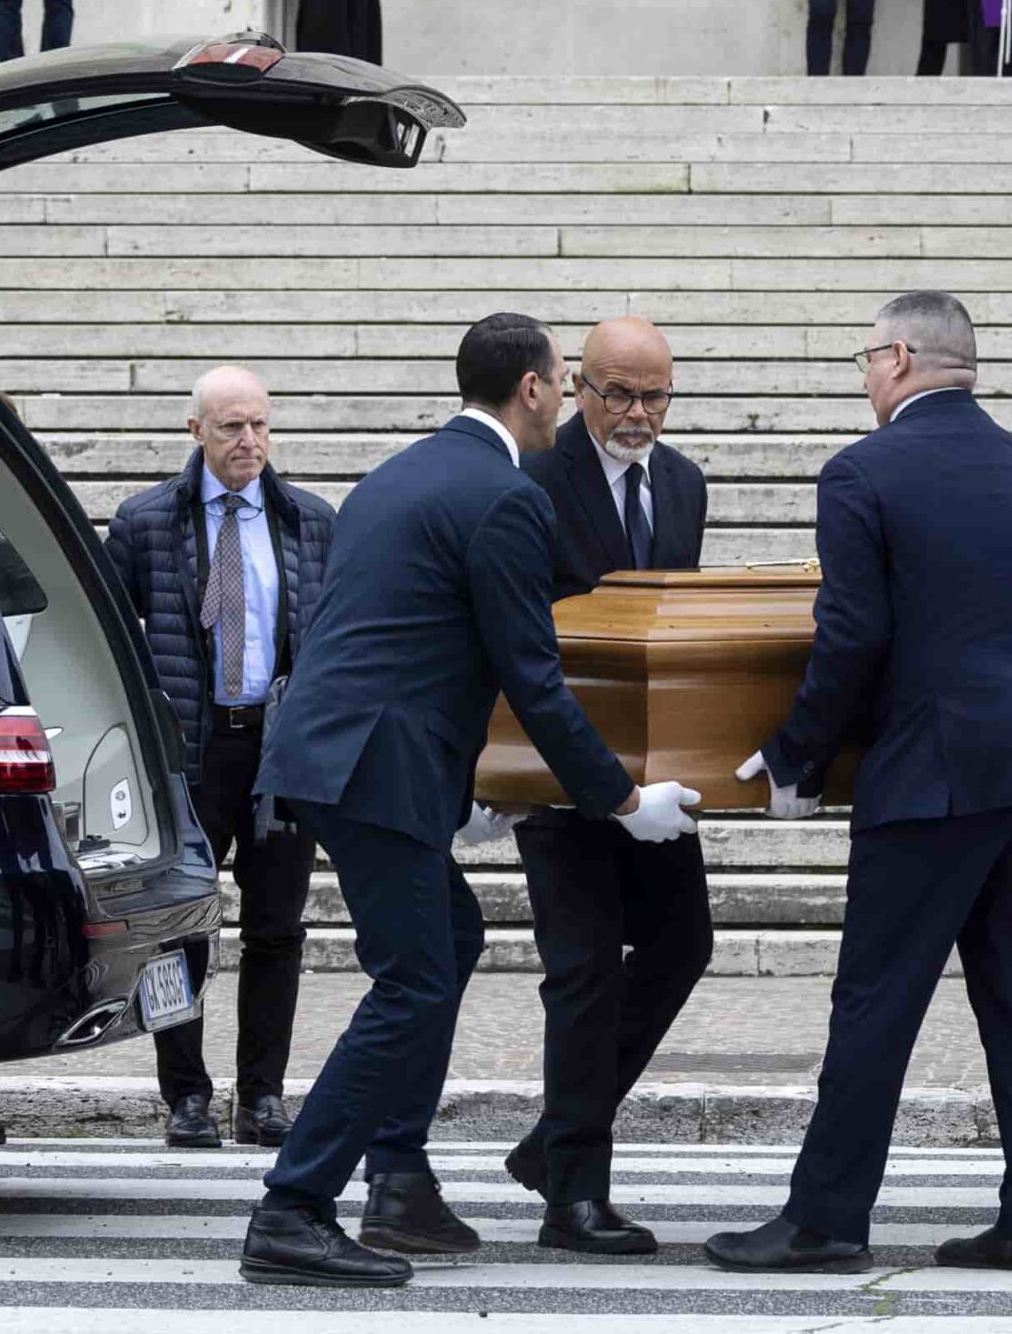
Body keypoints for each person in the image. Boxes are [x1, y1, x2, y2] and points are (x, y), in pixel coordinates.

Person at [239, 315, 701, 1289]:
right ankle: (294, 1205)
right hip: (376, 768)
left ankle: (399, 1181)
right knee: (411, 982)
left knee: (450, 938)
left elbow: (397, 639)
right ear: (535, 389)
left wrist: (466, 789)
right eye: (567, 385)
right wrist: (619, 801)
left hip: (341, 757)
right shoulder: (503, 498)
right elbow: (532, 679)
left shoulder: (397, 474)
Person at [703, 291, 1012, 1276]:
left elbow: (852, 636)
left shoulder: (863, 471)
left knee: (877, 998)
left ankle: (825, 1219)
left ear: (897, 358)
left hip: (939, 769)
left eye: (864, 360)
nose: (864, 380)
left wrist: (796, 753)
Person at [502, 316, 715, 1255]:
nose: (638, 413)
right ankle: (574, 1194)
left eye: (655, 395)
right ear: (577, 387)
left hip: (656, 770)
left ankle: (555, 1140)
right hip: (560, 769)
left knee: (684, 942)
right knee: (583, 971)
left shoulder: (684, 482)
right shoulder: (535, 479)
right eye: (619, 393)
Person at [103, 367, 332, 1151]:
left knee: (278, 927)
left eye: (261, 425)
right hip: (189, 755)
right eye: (233, 426)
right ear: (195, 429)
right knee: (177, 930)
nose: (251, 441)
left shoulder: (306, 520)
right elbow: (109, 641)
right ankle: (186, 1097)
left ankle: (261, 1095)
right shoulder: (145, 522)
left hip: (276, 752)